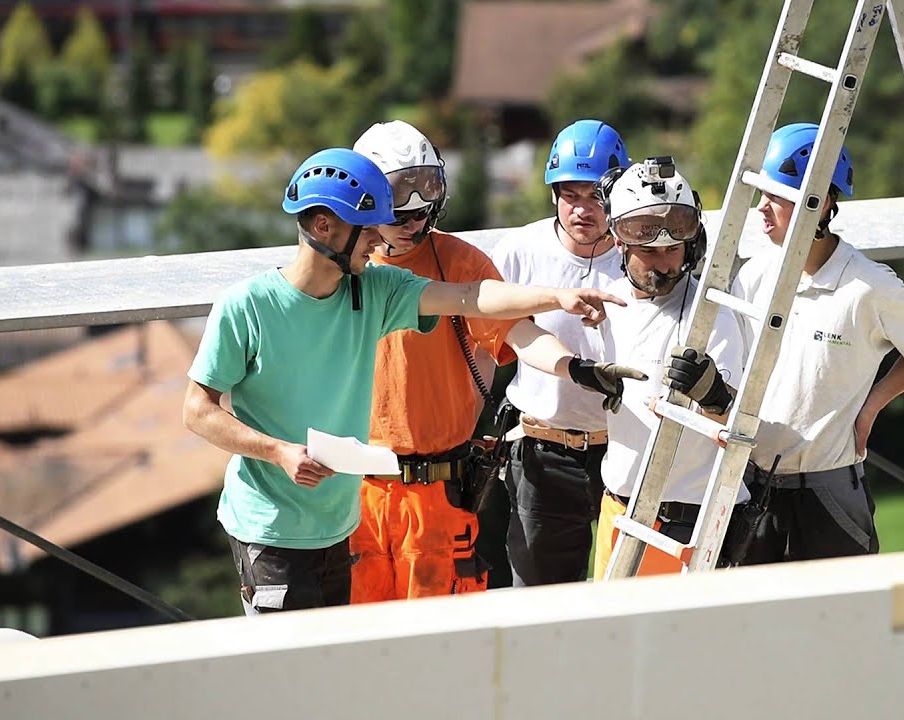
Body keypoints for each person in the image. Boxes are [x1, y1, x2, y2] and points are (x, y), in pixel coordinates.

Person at [183, 147, 633, 614]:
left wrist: (556, 297)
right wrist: (276, 451)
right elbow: (196, 410)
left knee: (351, 660)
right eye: (370, 226)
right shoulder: (246, 306)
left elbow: (471, 296)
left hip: (340, 521)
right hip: (273, 527)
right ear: (323, 227)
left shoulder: (374, 290)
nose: (380, 240)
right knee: (295, 674)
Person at [347, 121, 643, 602]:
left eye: (424, 192)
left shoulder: (460, 262)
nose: (413, 215)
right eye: (400, 196)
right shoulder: (342, 270)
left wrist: (576, 369)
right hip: (356, 487)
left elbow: (512, 328)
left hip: (437, 484)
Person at [732, 123, 904, 563]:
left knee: (846, 623)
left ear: (822, 201)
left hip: (831, 492)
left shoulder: (867, 286)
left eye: (776, 195)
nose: (762, 207)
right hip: (750, 485)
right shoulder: (753, 274)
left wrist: (872, 406)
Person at [589, 157, 749, 578]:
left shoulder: (712, 315)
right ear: (620, 244)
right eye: (649, 252)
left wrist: (713, 393)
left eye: (672, 250)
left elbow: (737, 420)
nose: (664, 264)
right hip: (618, 511)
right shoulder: (606, 305)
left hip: (686, 523)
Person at [490, 119, 632, 586]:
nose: (582, 209)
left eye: (595, 196)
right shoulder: (519, 252)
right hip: (544, 449)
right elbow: (500, 334)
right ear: (554, 194)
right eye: (570, 194)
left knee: (633, 596)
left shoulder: (641, 255)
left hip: (626, 449)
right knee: (542, 602)